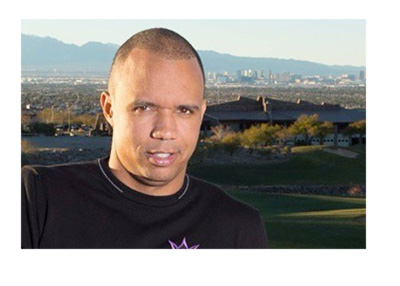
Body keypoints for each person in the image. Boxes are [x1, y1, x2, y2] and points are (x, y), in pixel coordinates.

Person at [21, 28, 268, 249]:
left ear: (201, 113)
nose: (165, 131)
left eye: (184, 111)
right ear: (109, 109)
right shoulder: (37, 197)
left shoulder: (239, 228)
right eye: (145, 108)